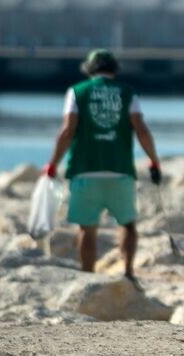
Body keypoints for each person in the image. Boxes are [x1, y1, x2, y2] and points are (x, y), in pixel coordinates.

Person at [43, 49, 162, 284]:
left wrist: (53, 164)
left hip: (85, 168)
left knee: (87, 228)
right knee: (127, 223)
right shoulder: (129, 93)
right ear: (115, 68)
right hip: (120, 168)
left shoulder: (76, 92)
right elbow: (141, 129)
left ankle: (88, 276)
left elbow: (68, 131)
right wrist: (153, 160)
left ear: (89, 69)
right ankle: (128, 272)